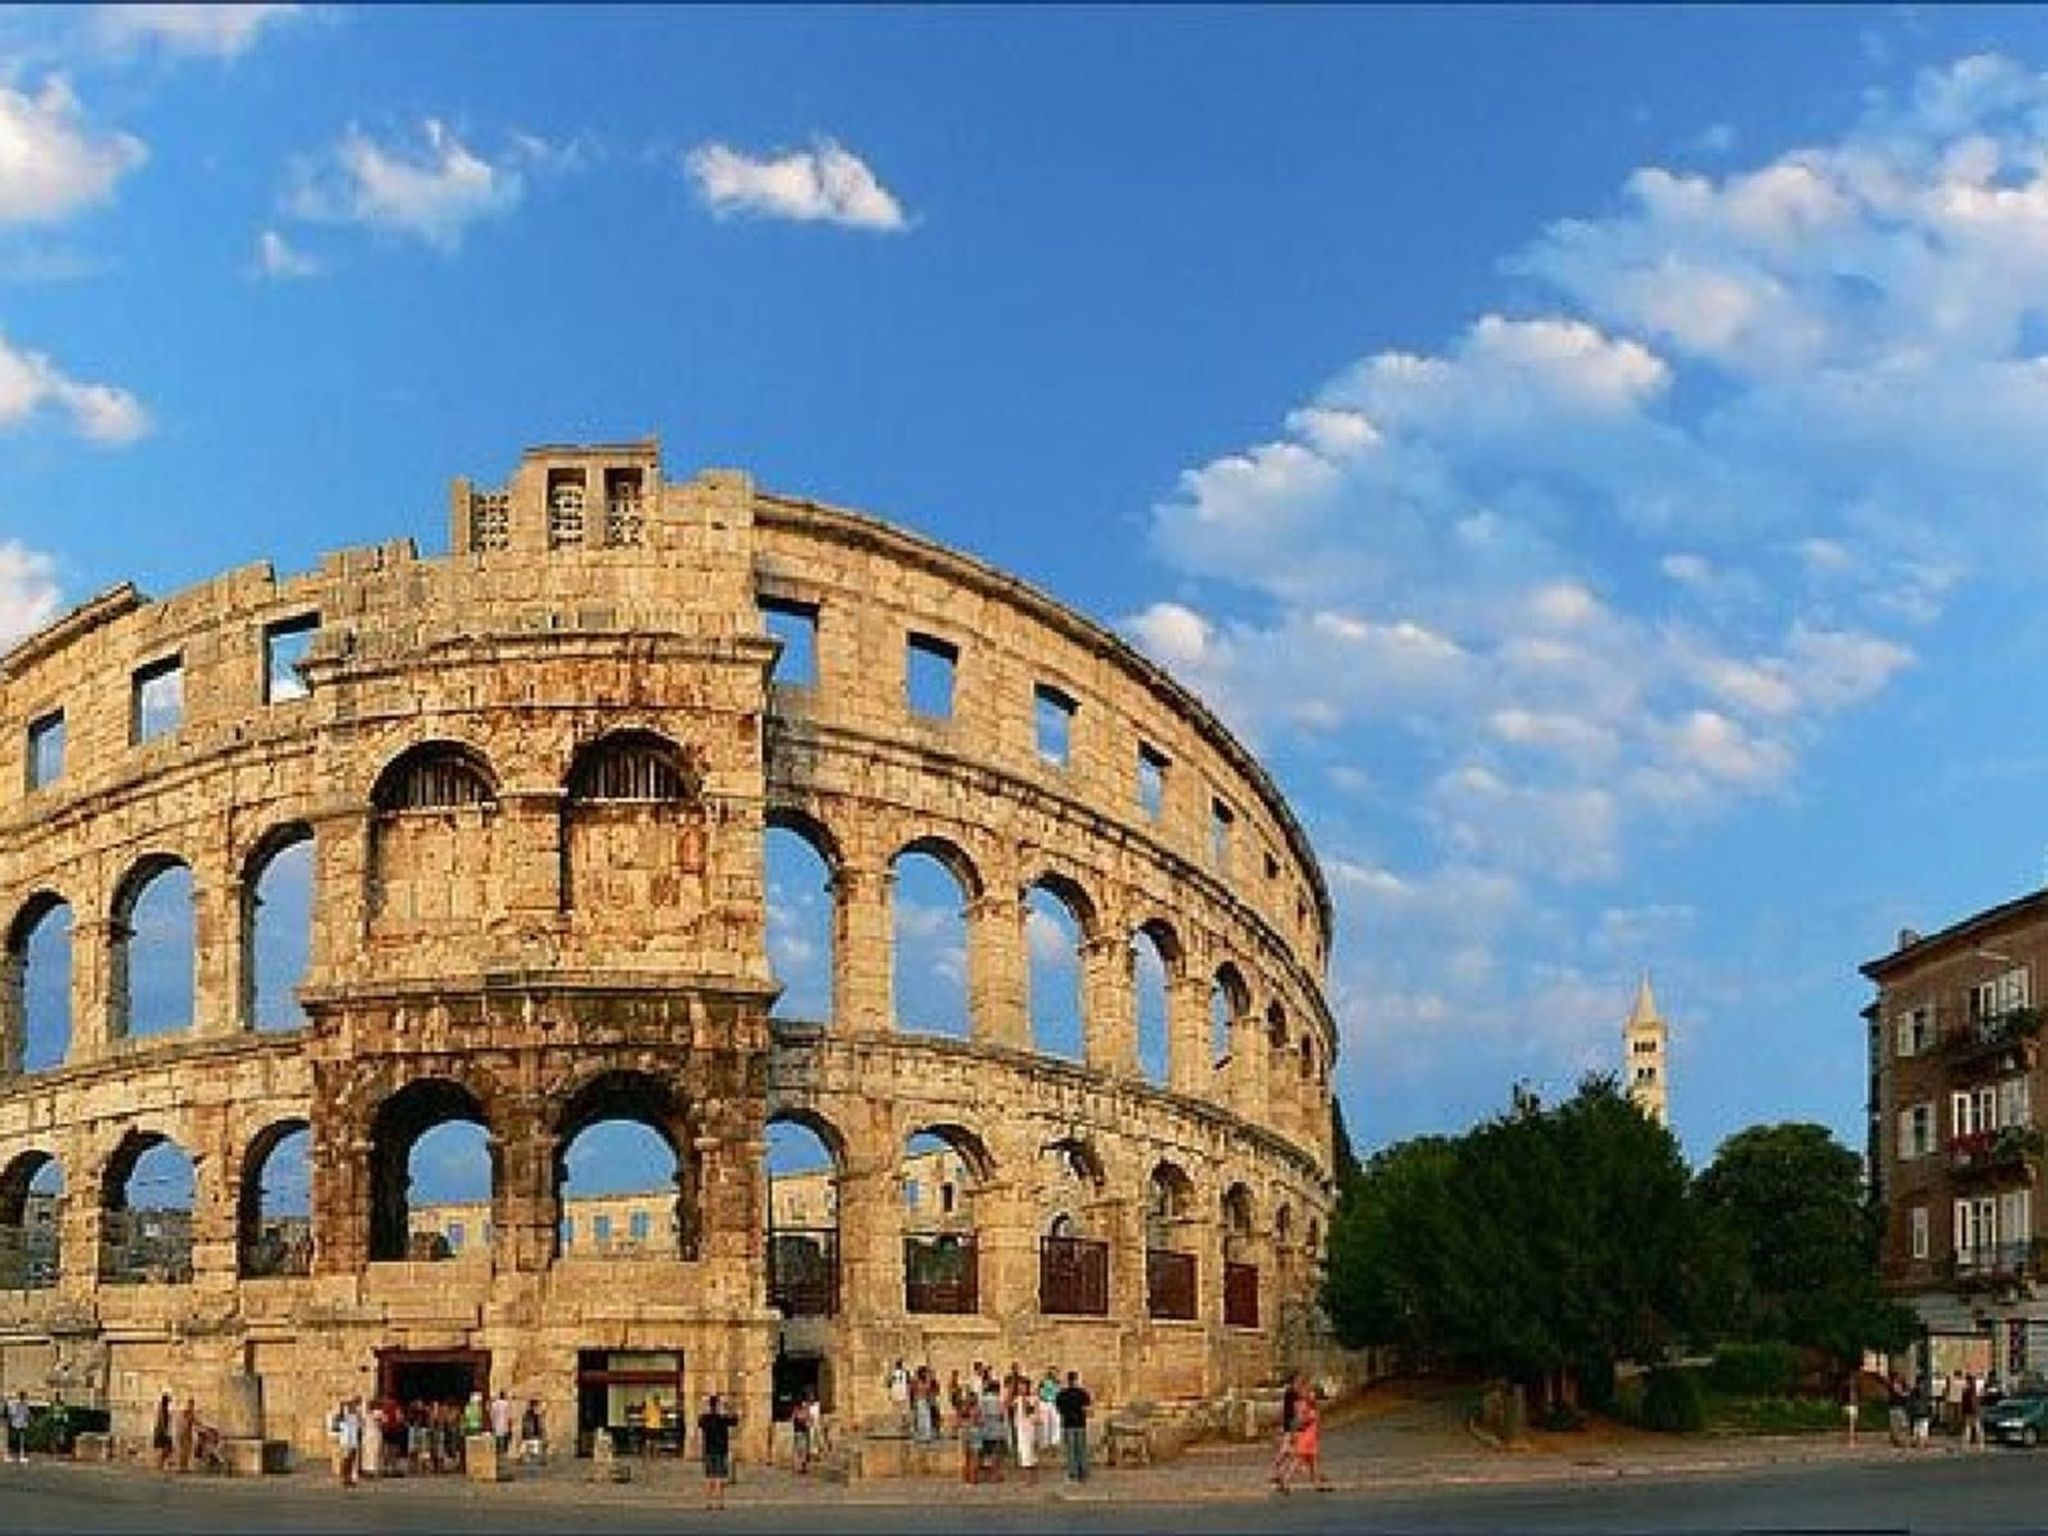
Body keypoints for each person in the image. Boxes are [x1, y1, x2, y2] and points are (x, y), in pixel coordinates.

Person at [698, 1393, 739, 1511]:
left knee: (709, 1477)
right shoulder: (722, 1419)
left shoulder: (706, 1418)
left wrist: (704, 1407)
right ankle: (720, 1502)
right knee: (719, 1478)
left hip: (709, 1450)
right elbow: (735, 1420)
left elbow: (700, 1422)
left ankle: (708, 1502)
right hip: (721, 1450)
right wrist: (728, 1407)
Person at [1054, 1370, 1091, 1483]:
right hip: (1080, 1424)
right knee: (1081, 1449)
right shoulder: (1083, 1393)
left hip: (1068, 1424)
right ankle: (1083, 1473)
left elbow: (1058, 1409)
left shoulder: (1062, 1394)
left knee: (1071, 1450)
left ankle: (1073, 1473)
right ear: (1076, 1380)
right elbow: (1087, 1408)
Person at [1294, 1384, 1330, 1490]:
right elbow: (1300, 1421)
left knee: (1314, 1461)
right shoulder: (1303, 1406)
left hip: (1312, 1436)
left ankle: (1317, 1484)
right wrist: (1308, 1420)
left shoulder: (1313, 1406)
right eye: (1311, 1394)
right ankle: (1285, 1481)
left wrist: (1318, 1430)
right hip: (1305, 1436)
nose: (1313, 1396)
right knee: (1299, 1460)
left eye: (1313, 1394)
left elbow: (1318, 1421)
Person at [1273, 1373, 1303, 1491]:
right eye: (1298, 1381)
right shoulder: (1294, 1394)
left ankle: (1278, 1473)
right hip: (1292, 1425)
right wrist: (1299, 1423)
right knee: (1295, 1454)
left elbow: (1285, 1410)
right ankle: (1283, 1479)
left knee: (1286, 1450)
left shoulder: (1288, 1393)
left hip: (1288, 1425)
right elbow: (1297, 1410)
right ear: (1294, 1382)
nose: (1300, 1383)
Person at [1010, 1374, 1038, 1485]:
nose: (1021, 1389)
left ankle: (1029, 1479)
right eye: (1020, 1387)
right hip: (1021, 1428)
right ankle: (1031, 1478)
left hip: (1028, 1428)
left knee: (1028, 1453)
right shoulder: (1018, 1399)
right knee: (1024, 1453)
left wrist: (1024, 1400)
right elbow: (1009, 1406)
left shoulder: (1031, 1399)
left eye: (1023, 1386)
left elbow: (1029, 1412)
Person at [790, 1394, 813, 1474]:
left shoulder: (800, 1411)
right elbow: (802, 1419)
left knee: (802, 1449)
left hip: (802, 1432)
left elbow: (809, 1420)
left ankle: (801, 1466)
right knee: (801, 1450)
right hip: (800, 1432)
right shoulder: (799, 1412)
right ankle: (799, 1466)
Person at [174, 1395, 196, 1474]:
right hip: (184, 1433)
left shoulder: (190, 1413)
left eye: (192, 1404)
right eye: (191, 1404)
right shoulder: (186, 1412)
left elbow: (195, 1422)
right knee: (184, 1450)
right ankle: (182, 1466)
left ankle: (184, 1466)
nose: (192, 1406)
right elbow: (185, 1422)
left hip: (187, 1433)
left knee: (187, 1450)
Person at [520, 1398, 546, 1466]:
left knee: (534, 1456)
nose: (537, 1407)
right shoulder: (528, 1415)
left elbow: (540, 1427)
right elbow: (526, 1427)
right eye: (536, 1405)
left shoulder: (537, 1416)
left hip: (534, 1437)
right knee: (531, 1457)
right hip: (531, 1438)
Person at [1886, 1373, 1910, 1448]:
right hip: (1895, 1408)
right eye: (1897, 1379)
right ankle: (1897, 1440)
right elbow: (1901, 1393)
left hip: (1900, 1408)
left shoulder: (1904, 1386)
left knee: (1903, 1425)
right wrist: (1904, 1394)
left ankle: (1901, 1440)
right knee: (1896, 1426)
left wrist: (1905, 1393)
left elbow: (1906, 1394)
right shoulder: (1892, 1386)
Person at [152, 1392, 174, 1472]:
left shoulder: (163, 1409)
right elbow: (161, 1420)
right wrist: (164, 1430)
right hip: (162, 1431)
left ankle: (161, 1464)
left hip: (163, 1430)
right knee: (166, 1448)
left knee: (166, 1448)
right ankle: (160, 1464)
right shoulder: (162, 1409)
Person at [1962, 1372, 1984, 1449]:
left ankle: (1969, 1440)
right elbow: (1978, 1398)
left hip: (1968, 1409)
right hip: (1974, 1409)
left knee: (1968, 1425)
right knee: (1976, 1424)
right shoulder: (1974, 1389)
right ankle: (1979, 1439)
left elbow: (1964, 1400)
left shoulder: (1965, 1390)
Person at [7, 1390, 29, 1463]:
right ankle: (13, 1455)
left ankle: (20, 1455)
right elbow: (12, 1414)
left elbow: (26, 1415)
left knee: (21, 1440)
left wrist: (26, 1422)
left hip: (21, 1424)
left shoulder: (24, 1405)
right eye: (23, 1396)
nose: (24, 1398)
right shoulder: (16, 1404)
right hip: (17, 1424)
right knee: (16, 1440)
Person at [1909, 1377, 1932, 1448]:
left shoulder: (1913, 1391)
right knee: (1923, 1427)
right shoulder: (1925, 1391)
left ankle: (1915, 1441)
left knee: (1917, 1427)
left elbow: (1911, 1401)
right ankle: (1922, 1443)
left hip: (1916, 1412)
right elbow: (1927, 1402)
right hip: (1923, 1412)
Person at [490, 1388, 513, 1458]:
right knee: (505, 1437)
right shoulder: (506, 1404)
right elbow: (509, 1415)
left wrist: (492, 1423)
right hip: (504, 1423)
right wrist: (510, 1423)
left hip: (496, 1423)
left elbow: (492, 1415)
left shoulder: (494, 1404)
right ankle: (505, 1451)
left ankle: (497, 1451)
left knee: (497, 1438)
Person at [641, 1394, 664, 1459]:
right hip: (651, 1426)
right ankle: (650, 1454)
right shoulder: (652, 1407)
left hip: (654, 1426)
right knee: (651, 1440)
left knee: (653, 1441)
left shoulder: (658, 1408)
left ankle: (653, 1454)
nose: (658, 1402)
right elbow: (645, 1416)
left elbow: (645, 1416)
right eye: (657, 1400)